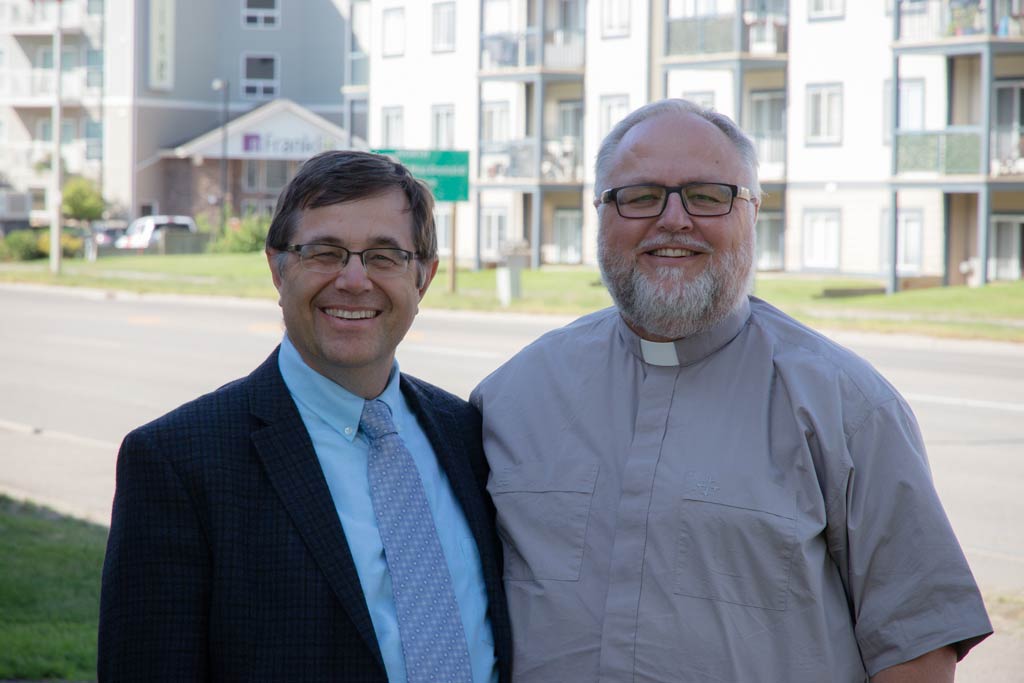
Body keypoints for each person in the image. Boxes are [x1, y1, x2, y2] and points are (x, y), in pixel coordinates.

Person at [470, 99, 991, 682]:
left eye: (708, 195)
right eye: (639, 196)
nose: (673, 219)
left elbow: (914, 650)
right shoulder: (512, 399)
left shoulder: (848, 410)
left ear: (753, 213)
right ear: (599, 213)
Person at [99, 150, 511, 682]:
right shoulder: (178, 463)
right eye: (324, 252)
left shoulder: (467, 435)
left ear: (424, 279)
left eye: (385, 257)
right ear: (277, 267)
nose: (354, 280)